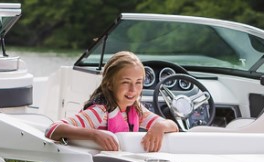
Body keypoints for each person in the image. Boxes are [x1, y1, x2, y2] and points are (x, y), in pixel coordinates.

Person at [45, 51, 178, 152]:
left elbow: (173, 126)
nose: (133, 89)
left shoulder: (136, 110)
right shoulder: (99, 112)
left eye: (138, 82)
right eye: (126, 82)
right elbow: (53, 129)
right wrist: (95, 135)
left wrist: (159, 127)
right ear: (109, 84)